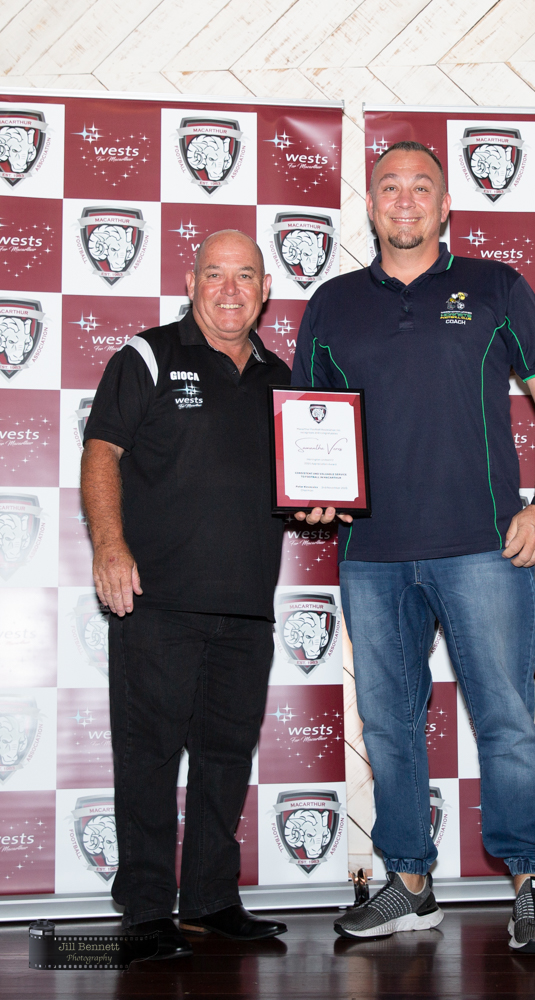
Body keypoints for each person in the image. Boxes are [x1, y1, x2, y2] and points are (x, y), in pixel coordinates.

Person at [291, 141, 535, 951]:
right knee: (386, 726)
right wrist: (314, 493)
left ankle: (529, 884)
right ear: (370, 204)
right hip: (372, 553)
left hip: (482, 546)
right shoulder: (332, 302)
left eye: (422, 187)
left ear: (445, 205)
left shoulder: (493, 285)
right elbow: (311, 423)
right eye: (390, 187)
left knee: (505, 719)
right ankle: (410, 884)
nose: (405, 199)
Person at [81, 230, 291, 959]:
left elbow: (301, 481)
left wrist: (321, 502)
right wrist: (110, 546)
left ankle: (209, 899)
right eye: (214, 274)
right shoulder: (146, 356)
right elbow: (101, 452)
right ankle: (145, 911)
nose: (230, 289)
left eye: (245, 276)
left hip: (247, 605)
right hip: (158, 601)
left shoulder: (282, 379)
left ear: (265, 290)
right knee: (147, 757)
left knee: (226, 757)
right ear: (190, 283)